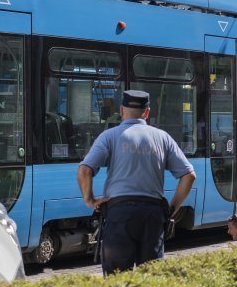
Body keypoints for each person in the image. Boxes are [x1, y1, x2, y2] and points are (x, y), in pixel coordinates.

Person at [77, 90, 197, 275]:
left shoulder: (109, 136)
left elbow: (85, 170)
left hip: (119, 215)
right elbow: (189, 175)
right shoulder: (162, 137)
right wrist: (172, 207)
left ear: (121, 110)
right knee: (150, 279)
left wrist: (90, 200)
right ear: (147, 112)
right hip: (152, 215)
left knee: (117, 280)